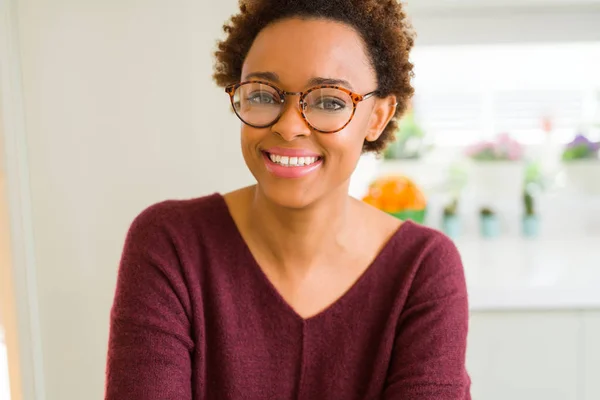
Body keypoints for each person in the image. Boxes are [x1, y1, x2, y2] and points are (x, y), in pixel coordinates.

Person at [105, 0, 471, 399]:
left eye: (329, 101)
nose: (290, 126)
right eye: (263, 95)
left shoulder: (422, 268)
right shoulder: (170, 244)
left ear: (378, 117)